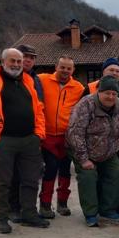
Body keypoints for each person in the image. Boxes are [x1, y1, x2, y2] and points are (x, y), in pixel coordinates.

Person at [0, 48, 49, 233]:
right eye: (12, 61)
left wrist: (38, 134)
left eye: (18, 61)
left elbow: (38, 110)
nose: (16, 65)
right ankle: (0, 219)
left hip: (29, 141)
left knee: (31, 180)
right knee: (3, 182)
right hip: (4, 141)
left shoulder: (29, 82)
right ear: (3, 62)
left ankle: (29, 214)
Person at [66, 75, 119, 227]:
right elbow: (75, 134)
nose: (111, 96)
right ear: (99, 91)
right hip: (84, 151)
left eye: (114, 93)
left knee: (116, 173)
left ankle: (107, 209)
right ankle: (91, 213)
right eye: (107, 93)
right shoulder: (85, 105)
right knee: (88, 177)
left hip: (109, 151)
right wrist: (84, 159)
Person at [36, 56, 84, 218]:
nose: (65, 71)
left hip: (66, 137)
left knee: (65, 170)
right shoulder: (42, 80)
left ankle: (62, 203)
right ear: (56, 66)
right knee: (50, 169)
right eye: (62, 67)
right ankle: (45, 204)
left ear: (73, 70)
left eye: (68, 68)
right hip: (47, 135)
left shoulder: (78, 87)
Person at [86, 57, 119, 215]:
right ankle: (100, 204)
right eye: (110, 70)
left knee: (117, 172)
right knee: (100, 173)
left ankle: (116, 202)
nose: (114, 73)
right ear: (103, 72)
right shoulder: (91, 87)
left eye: (117, 71)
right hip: (98, 139)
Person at [8, 44, 45, 221]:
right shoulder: (8, 78)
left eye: (32, 57)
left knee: (30, 176)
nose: (28, 60)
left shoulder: (36, 80)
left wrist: (39, 134)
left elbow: (40, 108)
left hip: (32, 137)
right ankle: (13, 208)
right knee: (13, 175)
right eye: (25, 56)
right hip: (11, 136)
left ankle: (28, 209)